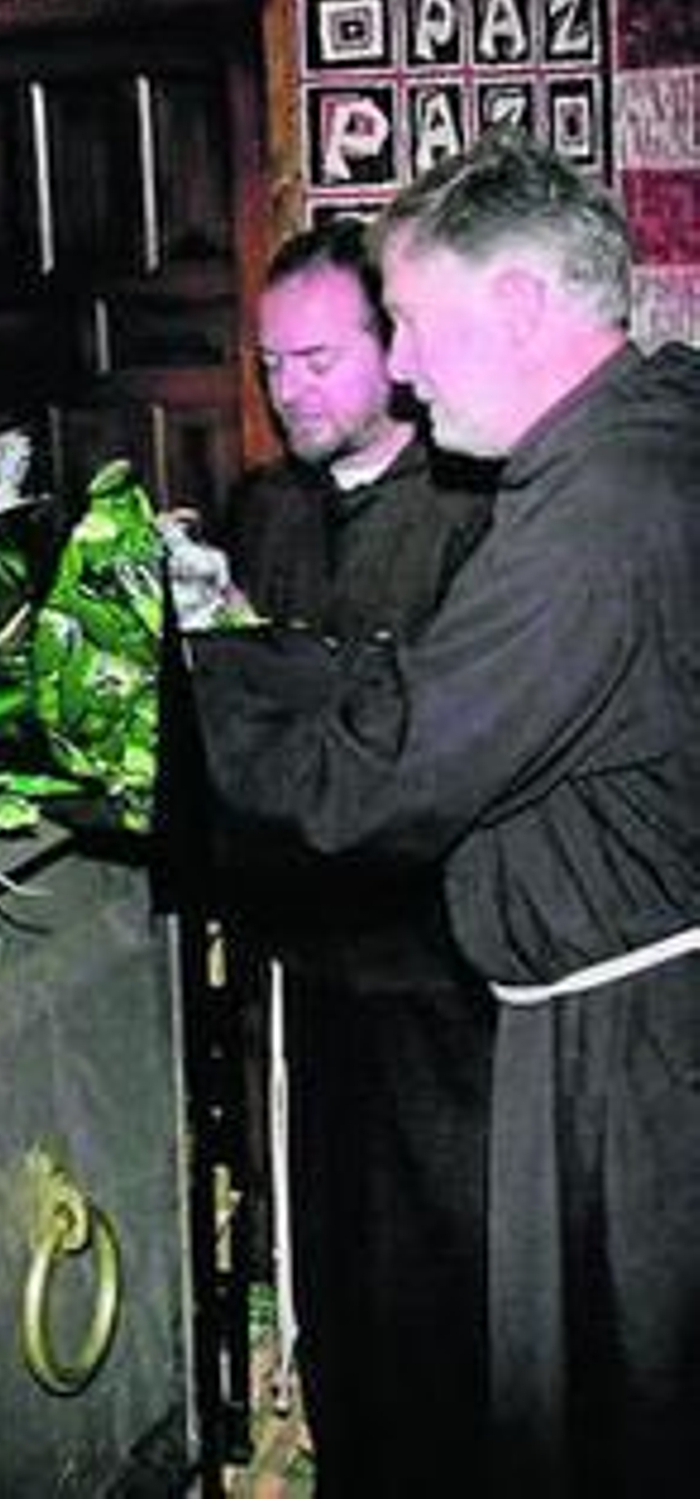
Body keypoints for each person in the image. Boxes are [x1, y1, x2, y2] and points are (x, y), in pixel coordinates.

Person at [192, 124, 700, 1496]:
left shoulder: (600, 512)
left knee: (621, 1411)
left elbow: (384, 773)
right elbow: (431, 681)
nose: (403, 367)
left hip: (630, 1055)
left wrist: (180, 700)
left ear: (519, 304)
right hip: (611, 1021)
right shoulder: (635, 442)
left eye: (410, 323)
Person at [220, 220, 495, 1498]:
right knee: (326, 1244)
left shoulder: (470, 505)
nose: (289, 392)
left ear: (393, 352)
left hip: (439, 963)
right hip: (306, 957)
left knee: (443, 1247)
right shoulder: (265, 510)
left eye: (318, 361)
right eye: (271, 365)